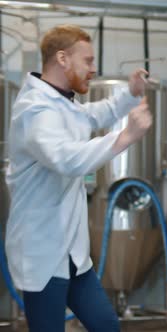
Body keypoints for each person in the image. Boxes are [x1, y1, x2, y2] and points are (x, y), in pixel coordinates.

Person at [5, 24, 152, 332]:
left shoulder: (62, 102)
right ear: (62, 58)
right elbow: (67, 159)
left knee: (106, 325)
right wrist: (125, 137)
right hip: (43, 251)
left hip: (72, 252)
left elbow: (94, 115)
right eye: (87, 60)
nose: (93, 69)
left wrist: (130, 94)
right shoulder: (35, 110)